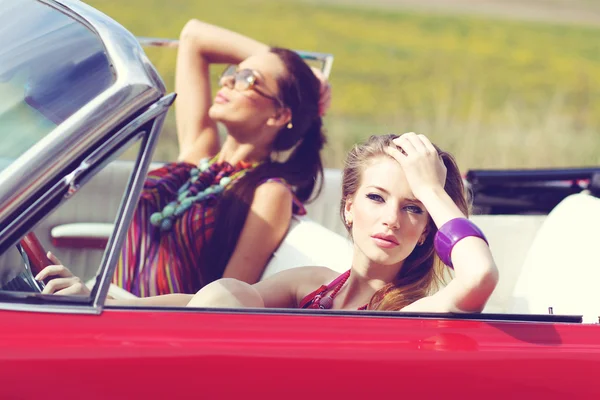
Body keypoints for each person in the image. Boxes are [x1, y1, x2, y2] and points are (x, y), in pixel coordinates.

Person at [37, 133, 499, 314]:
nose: (391, 219)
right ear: (348, 209)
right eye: (376, 198)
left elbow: (478, 274)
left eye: (413, 207)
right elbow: (203, 303)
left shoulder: (410, 314)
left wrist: (435, 191)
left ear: (427, 233)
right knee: (232, 291)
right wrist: (104, 303)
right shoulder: (316, 285)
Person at [110, 19, 331, 297]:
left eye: (248, 80)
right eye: (234, 73)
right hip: (105, 301)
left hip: (152, 325)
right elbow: (193, 36)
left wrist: (131, 309)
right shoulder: (199, 154)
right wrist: (293, 66)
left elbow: (225, 300)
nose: (227, 81)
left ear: (279, 115)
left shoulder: (269, 193)